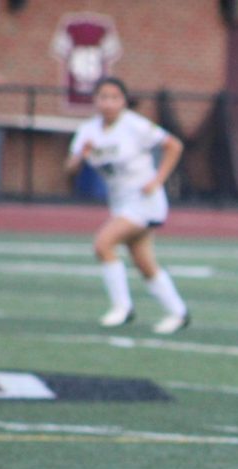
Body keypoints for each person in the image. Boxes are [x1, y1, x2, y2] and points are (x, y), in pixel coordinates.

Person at [65, 77, 191, 334]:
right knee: (144, 263)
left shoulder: (134, 125)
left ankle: (122, 307)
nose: (109, 103)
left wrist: (157, 180)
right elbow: (69, 168)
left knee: (103, 244)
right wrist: (79, 156)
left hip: (144, 201)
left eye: (114, 97)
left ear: (123, 101)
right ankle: (179, 313)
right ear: (95, 100)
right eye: (103, 97)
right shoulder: (88, 131)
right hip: (120, 203)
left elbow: (174, 146)